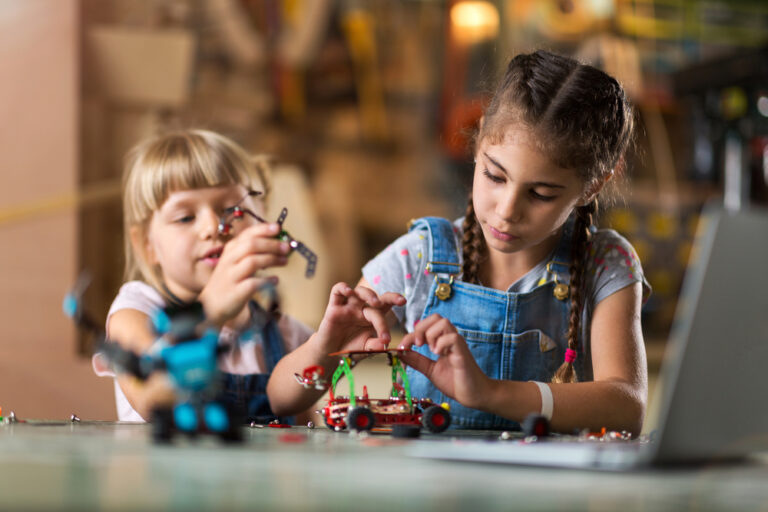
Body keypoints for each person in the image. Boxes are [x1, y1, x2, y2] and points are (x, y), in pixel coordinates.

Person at [268, 50, 650, 435]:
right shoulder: (417, 257)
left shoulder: (605, 264)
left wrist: (489, 392)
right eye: (495, 176)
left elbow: (626, 405)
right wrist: (323, 347)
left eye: (541, 194)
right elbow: (282, 401)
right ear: (479, 139)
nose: (506, 210)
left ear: (591, 187)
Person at [92, 129, 313, 424]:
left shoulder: (289, 336)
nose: (212, 227)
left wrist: (330, 346)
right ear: (147, 245)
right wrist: (208, 311)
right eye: (185, 217)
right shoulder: (135, 312)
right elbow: (153, 395)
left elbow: (305, 436)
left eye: (233, 211)